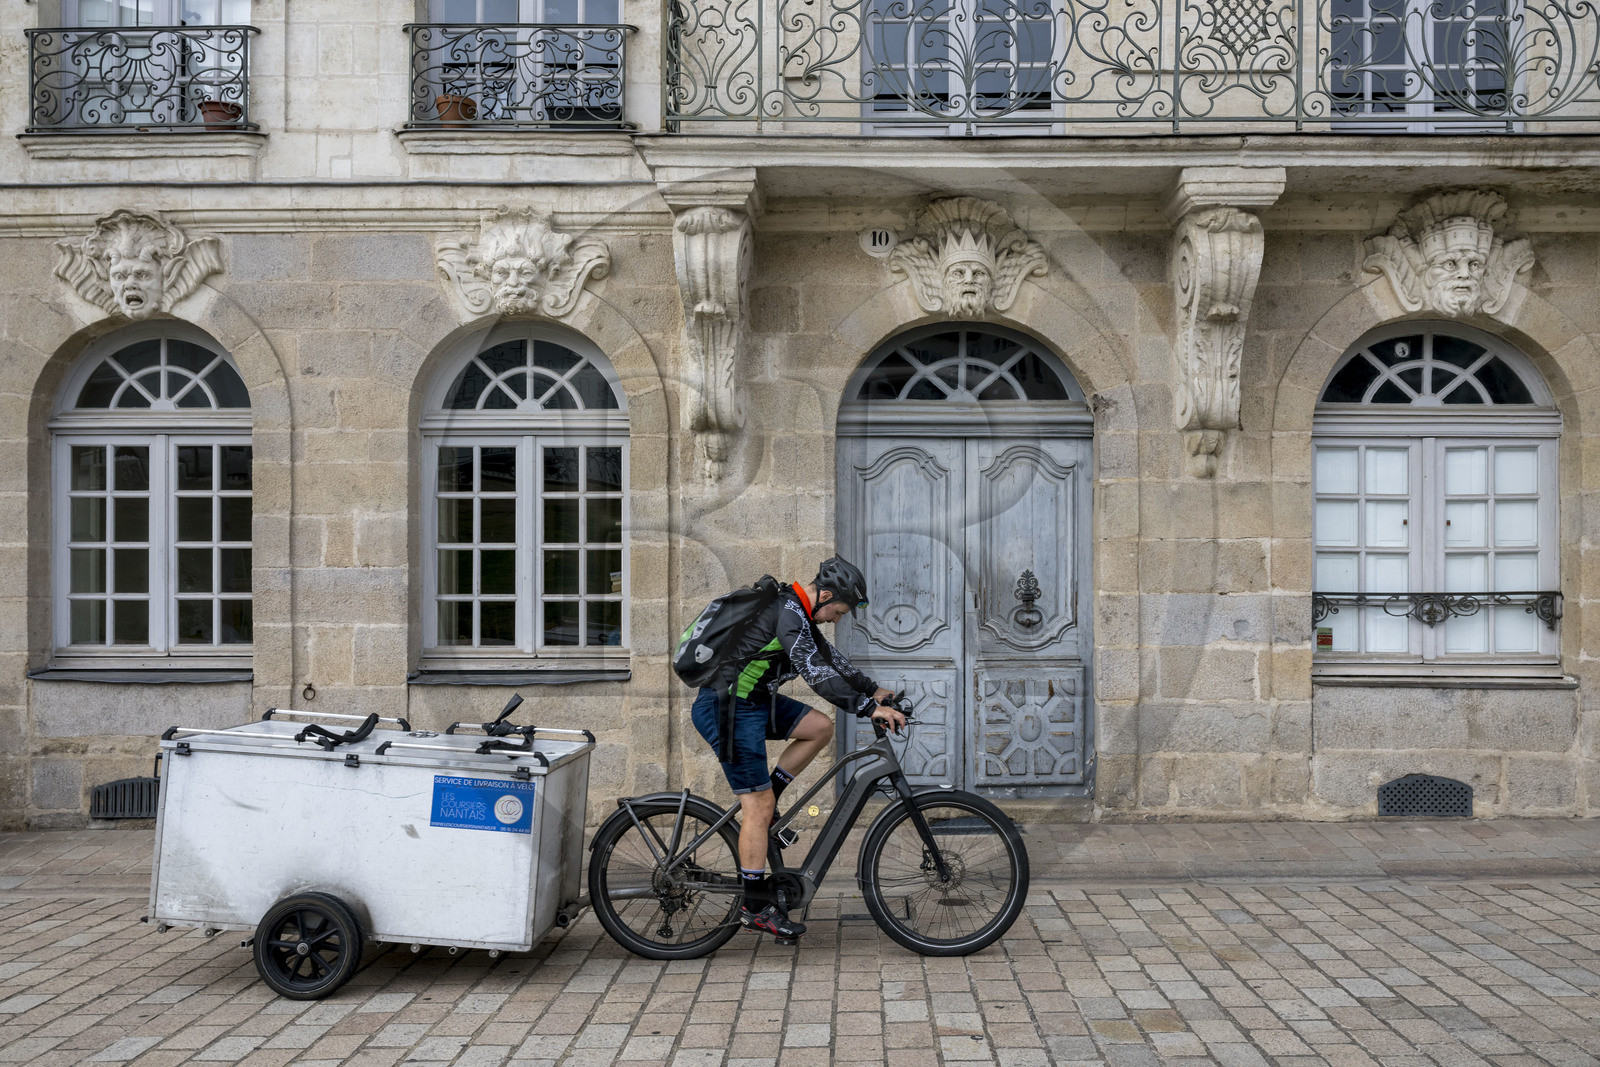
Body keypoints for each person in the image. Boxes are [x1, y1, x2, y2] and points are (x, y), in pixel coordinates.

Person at [690, 556, 907, 942]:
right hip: (728, 709)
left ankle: (770, 800)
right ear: (825, 595)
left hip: (754, 703)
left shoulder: (800, 612)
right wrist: (868, 708)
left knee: (818, 728)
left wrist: (872, 689)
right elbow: (816, 673)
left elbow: (829, 658)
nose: (837, 619)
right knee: (756, 808)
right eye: (838, 611)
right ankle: (754, 908)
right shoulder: (788, 613)